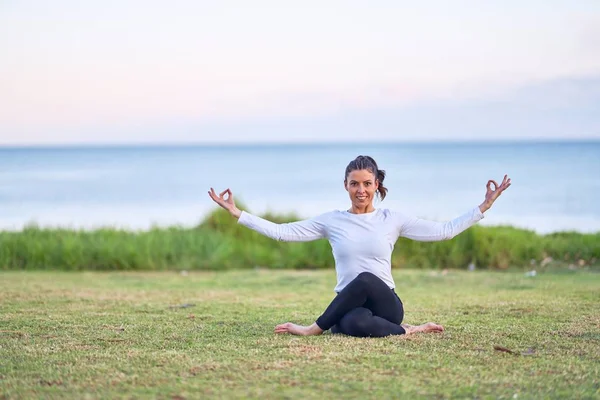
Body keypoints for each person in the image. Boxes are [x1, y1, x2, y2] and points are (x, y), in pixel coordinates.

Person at [208, 155, 511, 337]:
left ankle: (313, 329)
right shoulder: (333, 221)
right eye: (355, 183)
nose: (361, 190)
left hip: (386, 304)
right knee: (353, 324)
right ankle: (410, 332)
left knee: (365, 279)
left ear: (376, 185)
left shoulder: (392, 218)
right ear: (346, 186)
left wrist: (483, 206)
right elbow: (282, 233)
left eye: (367, 183)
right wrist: (238, 214)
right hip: (349, 304)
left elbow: (444, 231)